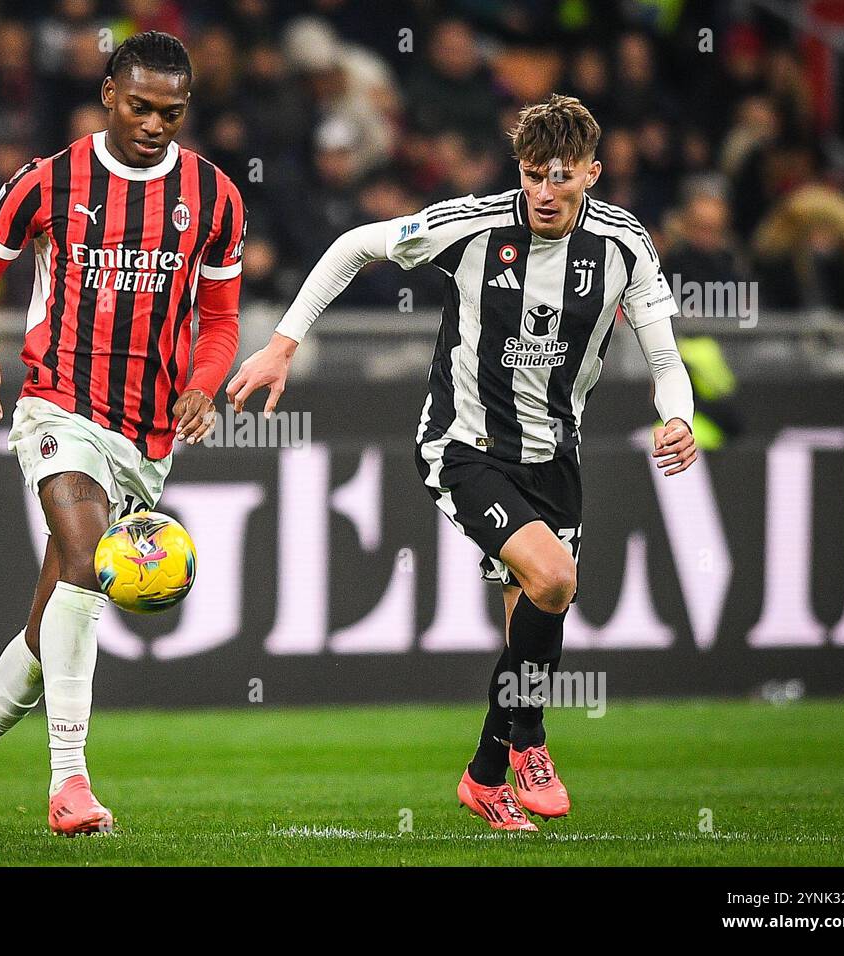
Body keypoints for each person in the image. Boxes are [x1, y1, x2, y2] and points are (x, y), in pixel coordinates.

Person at [227, 94, 696, 832]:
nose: (546, 191)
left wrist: (679, 415)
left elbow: (665, 355)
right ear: (519, 170)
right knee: (555, 579)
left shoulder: (626, 245)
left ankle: (484, 776)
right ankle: (531, 741)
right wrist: (283, 344)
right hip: (463, 445)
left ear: (593, 175)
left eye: (563, 177)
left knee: (534, 624)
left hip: (555, 456)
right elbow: (355, 244)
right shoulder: (472, 225)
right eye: (534, 174)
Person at [0, 31, 246, 844]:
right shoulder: (46, 181)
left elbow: (222, 318)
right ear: (107, 94)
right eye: (140, 106)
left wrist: (202, 385)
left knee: (47, 627)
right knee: (93, 558)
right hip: (59, 407)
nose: (155, 124)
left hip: (148, 435)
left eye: (171, 111)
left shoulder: (216, 197)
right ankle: (70, 783)